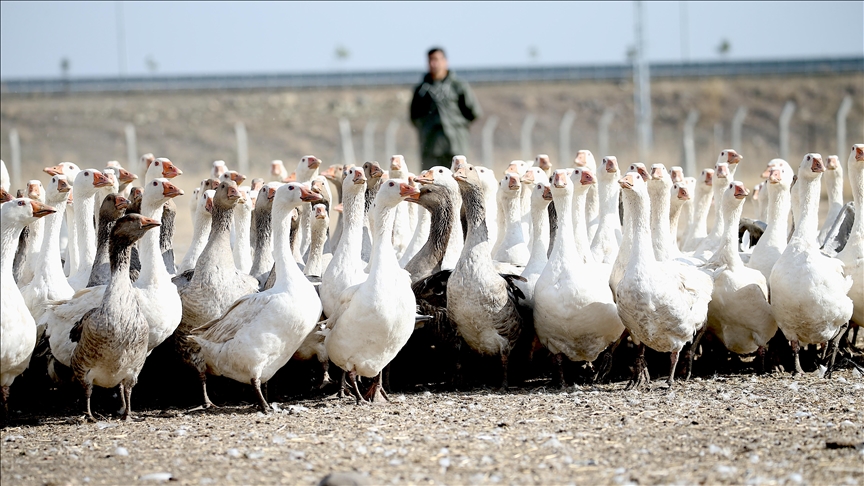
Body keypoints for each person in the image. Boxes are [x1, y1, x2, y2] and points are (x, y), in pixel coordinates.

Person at [410, 47, 483, 171]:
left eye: (437, 59)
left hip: (456, 143)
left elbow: (473, 112)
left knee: (459, 180)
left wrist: (457, 126)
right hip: (431, 144)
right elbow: (414, 116)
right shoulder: (422, 90)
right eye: (430, 60)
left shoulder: (458, 86)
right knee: (431, 183)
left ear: (445, 61)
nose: (434, 64)